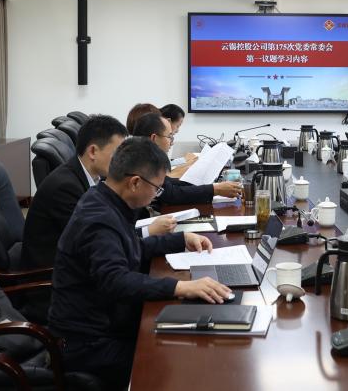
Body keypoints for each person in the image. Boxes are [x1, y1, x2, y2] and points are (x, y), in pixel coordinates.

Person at [48, 137, 233, 388]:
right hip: (90, 344)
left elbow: (130, 248)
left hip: (108, 324)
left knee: (189, 338)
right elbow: (116, 281)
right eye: (157, 188)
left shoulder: (105, 199)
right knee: (180, 363)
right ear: (135, 182)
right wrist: (180, 287)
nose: (157, 194)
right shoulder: (99, 220)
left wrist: (180, 240)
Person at [23, 115, 177, 269]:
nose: (122, 159)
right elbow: (96, 240)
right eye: (117, 153)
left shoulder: (94, 177)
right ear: (93, 152)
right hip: (51, 272)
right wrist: (148, 230)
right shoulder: (65, 188)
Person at [132, 113, 242, 205]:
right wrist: (214, 189)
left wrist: (208, 186)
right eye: (170, 136)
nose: (172, 142)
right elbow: (171, 194)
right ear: (154, 138)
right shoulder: (141, 163)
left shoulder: (142, 156)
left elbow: (168, 184)